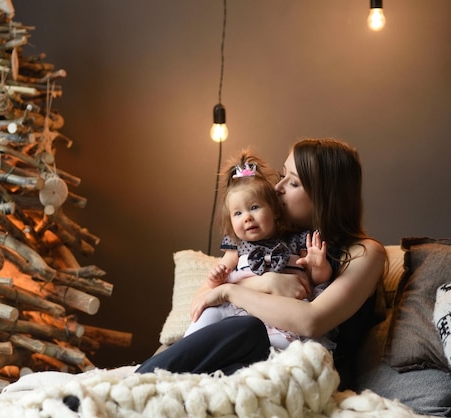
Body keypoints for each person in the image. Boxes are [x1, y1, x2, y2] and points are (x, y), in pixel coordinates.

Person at [136, 138, 387, 390]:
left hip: (304, 370)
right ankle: (140, 385)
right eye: (282, 175)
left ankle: (138, 384)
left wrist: (230, 291)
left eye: (293, 182)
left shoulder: (365, 253)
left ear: (326, 195)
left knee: (246, 328)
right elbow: (202, 301)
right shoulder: (271, 239)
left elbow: (311, 321)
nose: (277, 188)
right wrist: (265, 281)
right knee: (200, 372)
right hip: (248, 361)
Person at [183, 150, 334, 350]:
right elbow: (213, 287)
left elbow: (317, 281)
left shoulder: (297, 240)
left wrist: (319, 266)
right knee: (208, 314)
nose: (247, 217)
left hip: (282, 316)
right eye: (238, 213)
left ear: (275, 211)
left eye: (254, 207)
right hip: (242, 311)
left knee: (287, 346)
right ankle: (187, 350)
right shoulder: (237, 247)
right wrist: (215, 277)